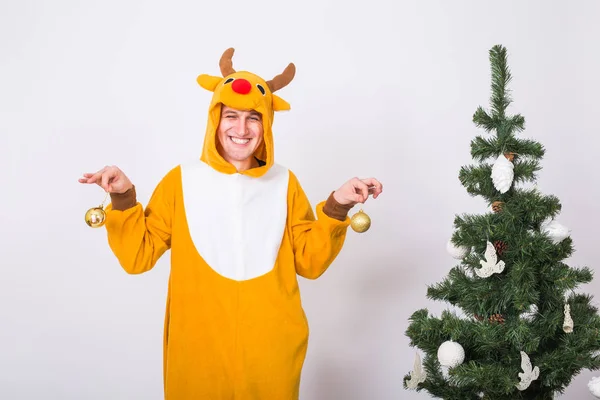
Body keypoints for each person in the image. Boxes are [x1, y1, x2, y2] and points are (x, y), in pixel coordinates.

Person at [79, 48, 383, 399]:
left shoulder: (284, 183)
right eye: (231, 116)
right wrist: (123, 197)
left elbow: (310, 262)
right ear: (215, 118)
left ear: (267, 123)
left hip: (272, 351)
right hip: (198, 352)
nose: (241, 129)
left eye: (254, 117)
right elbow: (137, 256)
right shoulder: (181, 181)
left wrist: (338, 204)